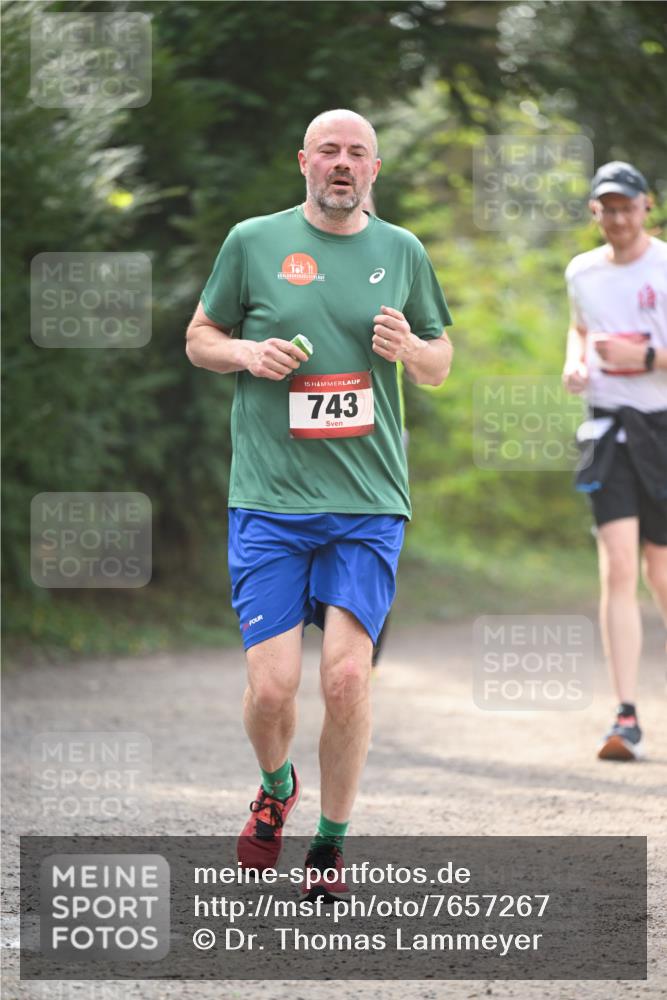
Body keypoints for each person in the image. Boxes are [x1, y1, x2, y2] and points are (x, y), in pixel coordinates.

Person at [185, 109, 453, 895]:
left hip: (367, 502)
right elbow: (199, 337)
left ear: (373, 170)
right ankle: (276, 788)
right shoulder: (252, 242)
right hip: (269, 500)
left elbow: (439, 361)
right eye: (328, 150)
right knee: (272, 688)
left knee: (345, 680)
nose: (342, 162)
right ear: (302, 161)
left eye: (356, 153)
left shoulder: (401, 251)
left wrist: (412, 349)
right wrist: (244, 351)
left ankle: (330, 846)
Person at [562, 160, 667, 761]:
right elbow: (579, 329)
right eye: (609, 208)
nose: (619, 218)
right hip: (605, 429)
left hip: (662, 428)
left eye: (628, 207)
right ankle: (625, 715)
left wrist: (644, 357)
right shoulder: (582, 271)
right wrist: (574, 361)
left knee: (660, 571)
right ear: (594, 212)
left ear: (646, 206)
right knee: (619, 567)